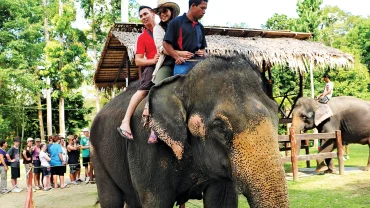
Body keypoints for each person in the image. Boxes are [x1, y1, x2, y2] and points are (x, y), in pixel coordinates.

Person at [117, 5, 160, 140]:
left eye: (145, 14)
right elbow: (138, 61)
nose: (143, 17)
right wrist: (152, 60)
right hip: (152, 68)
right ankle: (125, 122)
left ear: (153, 14)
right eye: (141, 16)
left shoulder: (165, 31)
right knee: (143, 91)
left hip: (168, 66)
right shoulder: (142, 38)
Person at [145, 0, 181, 144]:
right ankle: (155, 127)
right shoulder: (158, 29)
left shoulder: (180, 25)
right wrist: (179, 53)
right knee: (158, 89)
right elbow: (161, 48)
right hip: (168, 62)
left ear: (171, 11)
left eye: (165, 11)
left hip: (183, 61)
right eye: (160, 12)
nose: (162, 14)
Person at [163, 0, 208, 75]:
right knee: (180, 83)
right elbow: (166, 43)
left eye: (205, 9)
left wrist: (202, 51)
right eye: (202, 8)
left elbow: (203, 47)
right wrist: (177, 57)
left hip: (199, 63)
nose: (204, 12)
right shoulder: (176, 22)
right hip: (183, 63)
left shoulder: (200, 27)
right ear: (193, 6)